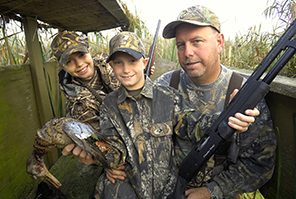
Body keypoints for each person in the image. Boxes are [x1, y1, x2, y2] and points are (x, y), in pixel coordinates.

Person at [106, 5, 277, 199]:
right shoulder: (164, 86)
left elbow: (260, 164)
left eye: (197, 42)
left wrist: (211, 192)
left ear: (219, 42)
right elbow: (136, 137)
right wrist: (112, 164)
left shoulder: (243, 96)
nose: (187, 52)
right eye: (181, 45)